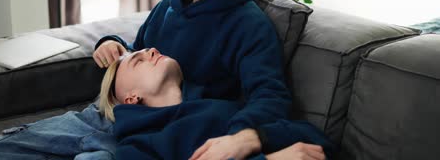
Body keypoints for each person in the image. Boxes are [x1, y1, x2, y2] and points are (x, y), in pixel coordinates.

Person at [93, 0, 298, 159]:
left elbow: (270, 96)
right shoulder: (166, 6)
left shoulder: (250, 26)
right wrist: (112, 43)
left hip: (177, 132)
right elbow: (138, 53)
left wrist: (239, 139)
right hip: (124, 119)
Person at [99, 48, 333, 160]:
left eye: (147, 50)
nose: (150, 50)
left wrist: (256, 138)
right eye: (137, 61)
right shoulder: (136, 147)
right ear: (131, 98)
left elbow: (318, 141)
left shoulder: (226, 106)